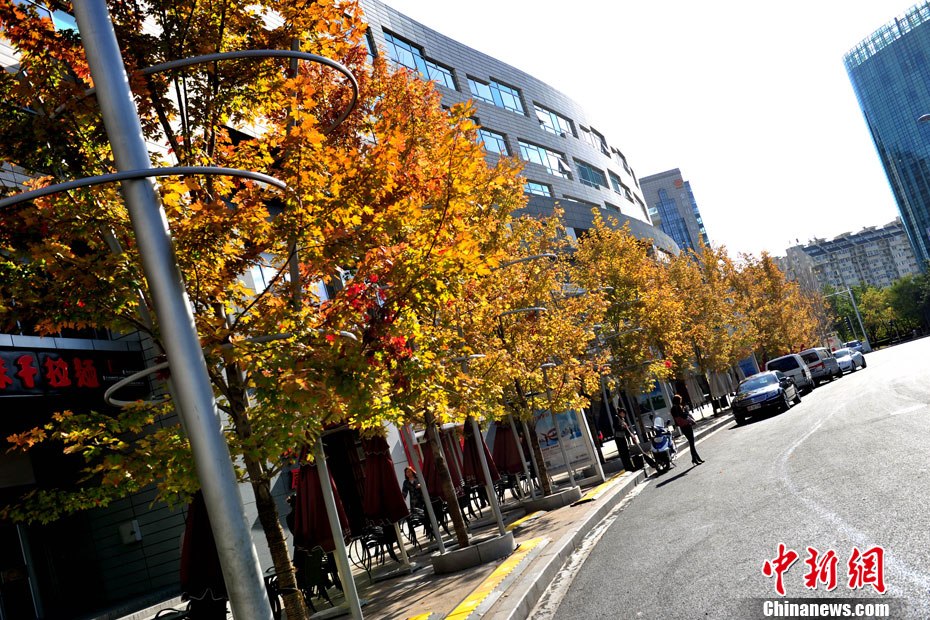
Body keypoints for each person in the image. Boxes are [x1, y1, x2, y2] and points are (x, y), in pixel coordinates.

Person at [672, 393, 703, 465]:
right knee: (692, 443)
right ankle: (694, 459)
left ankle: (696, 458)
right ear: (678, 401)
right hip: (687, 426)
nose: (681, 401)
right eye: (680, 400)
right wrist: (686, 411)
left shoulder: (672, 409)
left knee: (691, 442)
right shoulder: (678, 407)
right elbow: (683, 415)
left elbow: (676, 419)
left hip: (682, 427)